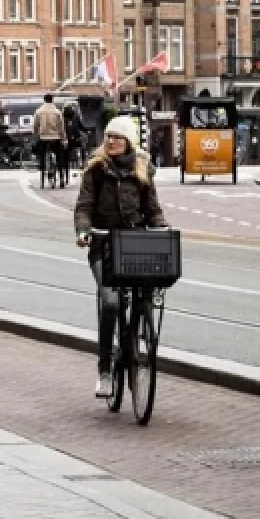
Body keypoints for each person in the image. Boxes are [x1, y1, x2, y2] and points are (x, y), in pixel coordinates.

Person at [73, 116, 167, 398]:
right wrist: (83, 230)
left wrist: (162, 228)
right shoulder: (97, 169)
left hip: (134, 245)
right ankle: (104, 371)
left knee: (144, 296)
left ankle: (137, 343)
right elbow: (84, 205)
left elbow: (152, 209)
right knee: (111, 302)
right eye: (109, 137)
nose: (111, 141)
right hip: (103, 245)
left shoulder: (142, 168)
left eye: (118, 137)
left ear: (129, 142)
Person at [34, 94, 68, 188]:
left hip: (43, 138)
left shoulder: (38, 111)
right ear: (52, 100)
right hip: (56, 137)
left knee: (42, 157)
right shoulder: (57, 112)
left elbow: (35, 126)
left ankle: (42, 180)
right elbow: (62, 127)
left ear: (44, 100)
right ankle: (61, 180)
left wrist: (36, 136)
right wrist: (64, 139)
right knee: (59, 157)